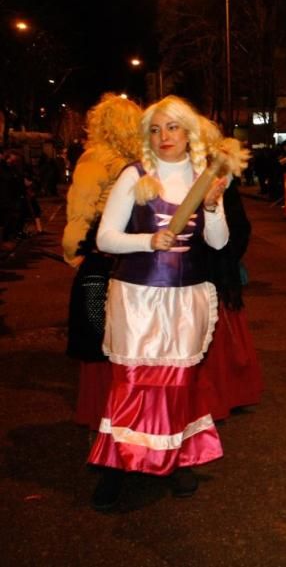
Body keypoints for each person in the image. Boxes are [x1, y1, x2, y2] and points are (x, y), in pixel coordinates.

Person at [88, 96, 230, 511]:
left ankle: (177, 457)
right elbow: (105, 238)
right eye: (155, 129)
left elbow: (218, 242)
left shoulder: (206, 177)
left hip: (187, 297)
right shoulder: (134, 175)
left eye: (172, 127)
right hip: (138, 295)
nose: (163, 137)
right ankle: (116, 465)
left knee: (179, 382)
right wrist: (147, 240)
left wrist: (212, 206)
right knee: (132, 381)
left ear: (189, 133)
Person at [62, 94, 143, 432]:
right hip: (136, 261)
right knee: (130, 339)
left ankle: (105, 411)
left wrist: (73, 253)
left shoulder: (94, 160)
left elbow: (80, 214)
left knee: (99, 338)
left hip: (100, 260)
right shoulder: (142, 163)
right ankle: (135, 410)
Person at [197, 118, 263, 420]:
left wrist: (227, 258)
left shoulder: (222, 182)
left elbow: (239, 228)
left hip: (215, 274)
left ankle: (222, 395)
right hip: (198, 274)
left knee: (217, 336)